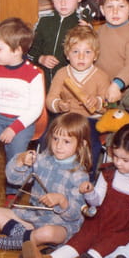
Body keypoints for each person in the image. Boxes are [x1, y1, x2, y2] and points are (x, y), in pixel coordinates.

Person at [23, 122, 129, 258]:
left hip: (122, 231)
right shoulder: (108, 172)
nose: (118, 163)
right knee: (76, 243)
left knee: (96, 252)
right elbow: (97, 201)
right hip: (98, 221)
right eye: (115, 156)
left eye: (125, 160)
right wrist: (89, 192)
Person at [0, 112, 90, 253]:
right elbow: (13, 179)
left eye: (66, 141)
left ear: (81, 144)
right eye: (55, 139)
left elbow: (75, 215)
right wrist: (20, 160)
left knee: (47, 233)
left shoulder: (79, 175)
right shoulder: (42, 160)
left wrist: (62, 201)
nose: (58, 146)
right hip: (34, 217)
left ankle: (5, 242)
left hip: (60, 225)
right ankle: (34, 243)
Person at [0, 18, 45, 198]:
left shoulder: (33, 74)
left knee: (16, 150)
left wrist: (14, 128)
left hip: (22, 121)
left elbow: (36, 108)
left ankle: (13, 190)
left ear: (17, 50)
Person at [46, 25, 110, 179]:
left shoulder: (101, 76)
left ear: (95, 55)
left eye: (87, 52)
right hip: (66, 118)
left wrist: (98, 102)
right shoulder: (62, 74)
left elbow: (108, 104)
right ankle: (49, 172)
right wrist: (58, 104)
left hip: (90, 120)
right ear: (67, 55)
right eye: (75, 52)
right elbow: (50, 99)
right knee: (47, 138)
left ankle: (87, 178)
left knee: (92, 144)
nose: (81, 57)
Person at [28, 0, 89, 89]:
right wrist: (41, 58)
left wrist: (89, 33)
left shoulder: (81, 26)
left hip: (69, 85)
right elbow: (30, 52)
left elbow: (89, 58)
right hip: (43, 83)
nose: (63, 3)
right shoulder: (43, 22)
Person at [94, 0, 129, 104]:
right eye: (110, 6)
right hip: (101, 85)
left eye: (121, 6)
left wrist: (117, 84)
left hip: (125, 89)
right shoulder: (99, 31)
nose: (115, 11)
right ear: (102, 10)